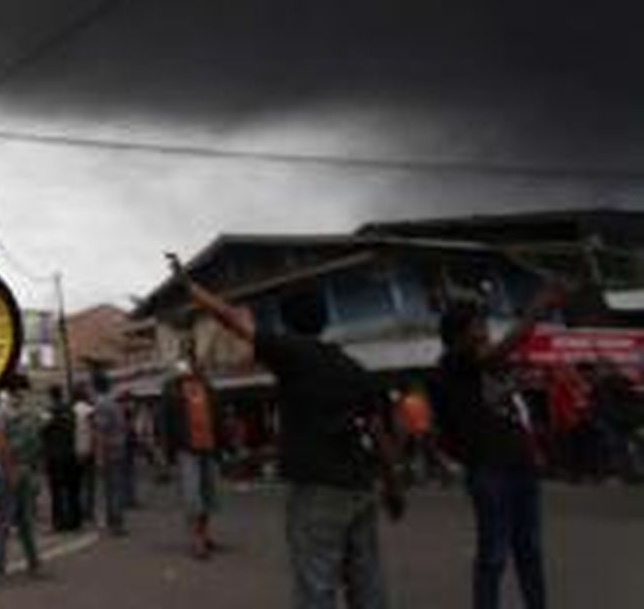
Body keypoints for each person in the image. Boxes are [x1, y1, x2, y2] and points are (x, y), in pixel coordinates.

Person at [168, 254, 404, 609]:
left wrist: (189, 286)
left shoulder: (291, 352)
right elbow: (377, 429)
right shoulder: (351, 366)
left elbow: (230, 318)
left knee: (316, 583)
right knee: (366, 581)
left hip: (317, 487)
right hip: (360, 486)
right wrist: (393, 485)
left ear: (286, 321)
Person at [436, 287, 565, 609]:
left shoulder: (489, 364)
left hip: (520, 465)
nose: (484, 332)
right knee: (493, 555)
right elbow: (499, 352)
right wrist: (533, 313)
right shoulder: (453, 361)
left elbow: (511, 395)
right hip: (489, 469)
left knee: (530, 552)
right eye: (477, 327)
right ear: (459, 334)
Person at [160, 343, 226, 559]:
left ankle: (205, 535)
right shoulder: (172, 389)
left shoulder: (208, 387)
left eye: (196, 361)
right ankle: (196, 540)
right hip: (186, 448)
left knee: (208, 494)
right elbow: (166, 423)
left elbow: (218, 418)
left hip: (209, 447)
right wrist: (167, 453)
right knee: (192, 496)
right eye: (189, 361)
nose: (194, 365)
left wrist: (224, 446)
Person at [0, 375, 43, 576]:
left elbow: (35, 440)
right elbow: (0, 443)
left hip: (25, 468)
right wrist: (9, 469)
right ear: (16, 390)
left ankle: (34, 562)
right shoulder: (3, 412)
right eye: (23, 390)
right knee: (5, 520)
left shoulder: (27, 411)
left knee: (25, 519)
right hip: (8, 471)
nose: (25, 393)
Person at [90, 370, 128, 536]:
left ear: (94, 387)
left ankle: (113, 523)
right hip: (118, 448)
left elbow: (100, 431)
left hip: (108, 450)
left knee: (107, 488)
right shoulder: (114, 403)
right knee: (116, 487)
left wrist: (98, 456)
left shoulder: (101, 405)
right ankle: (117, 522)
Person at [41, 385, 81, 532]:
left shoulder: (48, 411)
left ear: (51, 396)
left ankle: (59, 523)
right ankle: (75, 521)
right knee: (72, 490)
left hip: (54, 457)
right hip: (70, 454)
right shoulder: (70, 411)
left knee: (56, 491)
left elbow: (42, 430)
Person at [72, 387, 96, 526]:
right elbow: (94, 430)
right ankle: (89, 511)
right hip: (88, 449)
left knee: (79, 482)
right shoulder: (89, 410)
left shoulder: (70, 410)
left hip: (75, 450)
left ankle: (80, 509)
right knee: (89, 483)